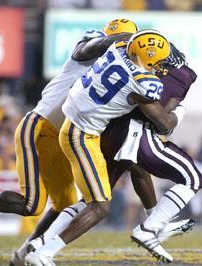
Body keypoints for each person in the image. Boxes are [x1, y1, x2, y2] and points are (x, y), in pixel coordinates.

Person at [24, 29, 184, 266]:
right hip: (81, 135)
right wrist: (180, 111)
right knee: (99, 207)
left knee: (126, 172)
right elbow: (164, 123)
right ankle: (44, 252)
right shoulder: (145, 84)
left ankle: (42, 244)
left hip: (77, 123)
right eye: (160, 60)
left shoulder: (116, 50)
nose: (163, 65)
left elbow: (127, 44)